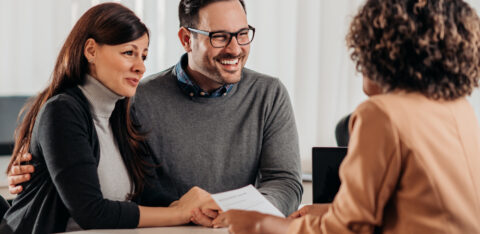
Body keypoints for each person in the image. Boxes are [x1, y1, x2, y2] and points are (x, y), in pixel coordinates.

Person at [7, 0, 303, 227]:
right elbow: (99, 201)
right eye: (220, 37)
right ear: (187, 39)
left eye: (242, 34)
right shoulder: (134, 99)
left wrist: (240, 215)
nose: (235, 48)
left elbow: (284, 181)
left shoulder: (269, 93)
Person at [212, 0, 480, 233]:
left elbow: (347, 230)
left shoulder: (382, 114)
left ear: (384, 52)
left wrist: (260, 225)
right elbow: (420, 208)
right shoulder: (457, 109)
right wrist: (331, 210)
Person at [0, 3, 217, 234]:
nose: (141, 67)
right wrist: (180, 212)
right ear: (91, 51)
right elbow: (92, 212)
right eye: (128, 53)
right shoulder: (62, 112)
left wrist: (196, 210)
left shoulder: (121, 114)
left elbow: (150, 195)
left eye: (143, 56)